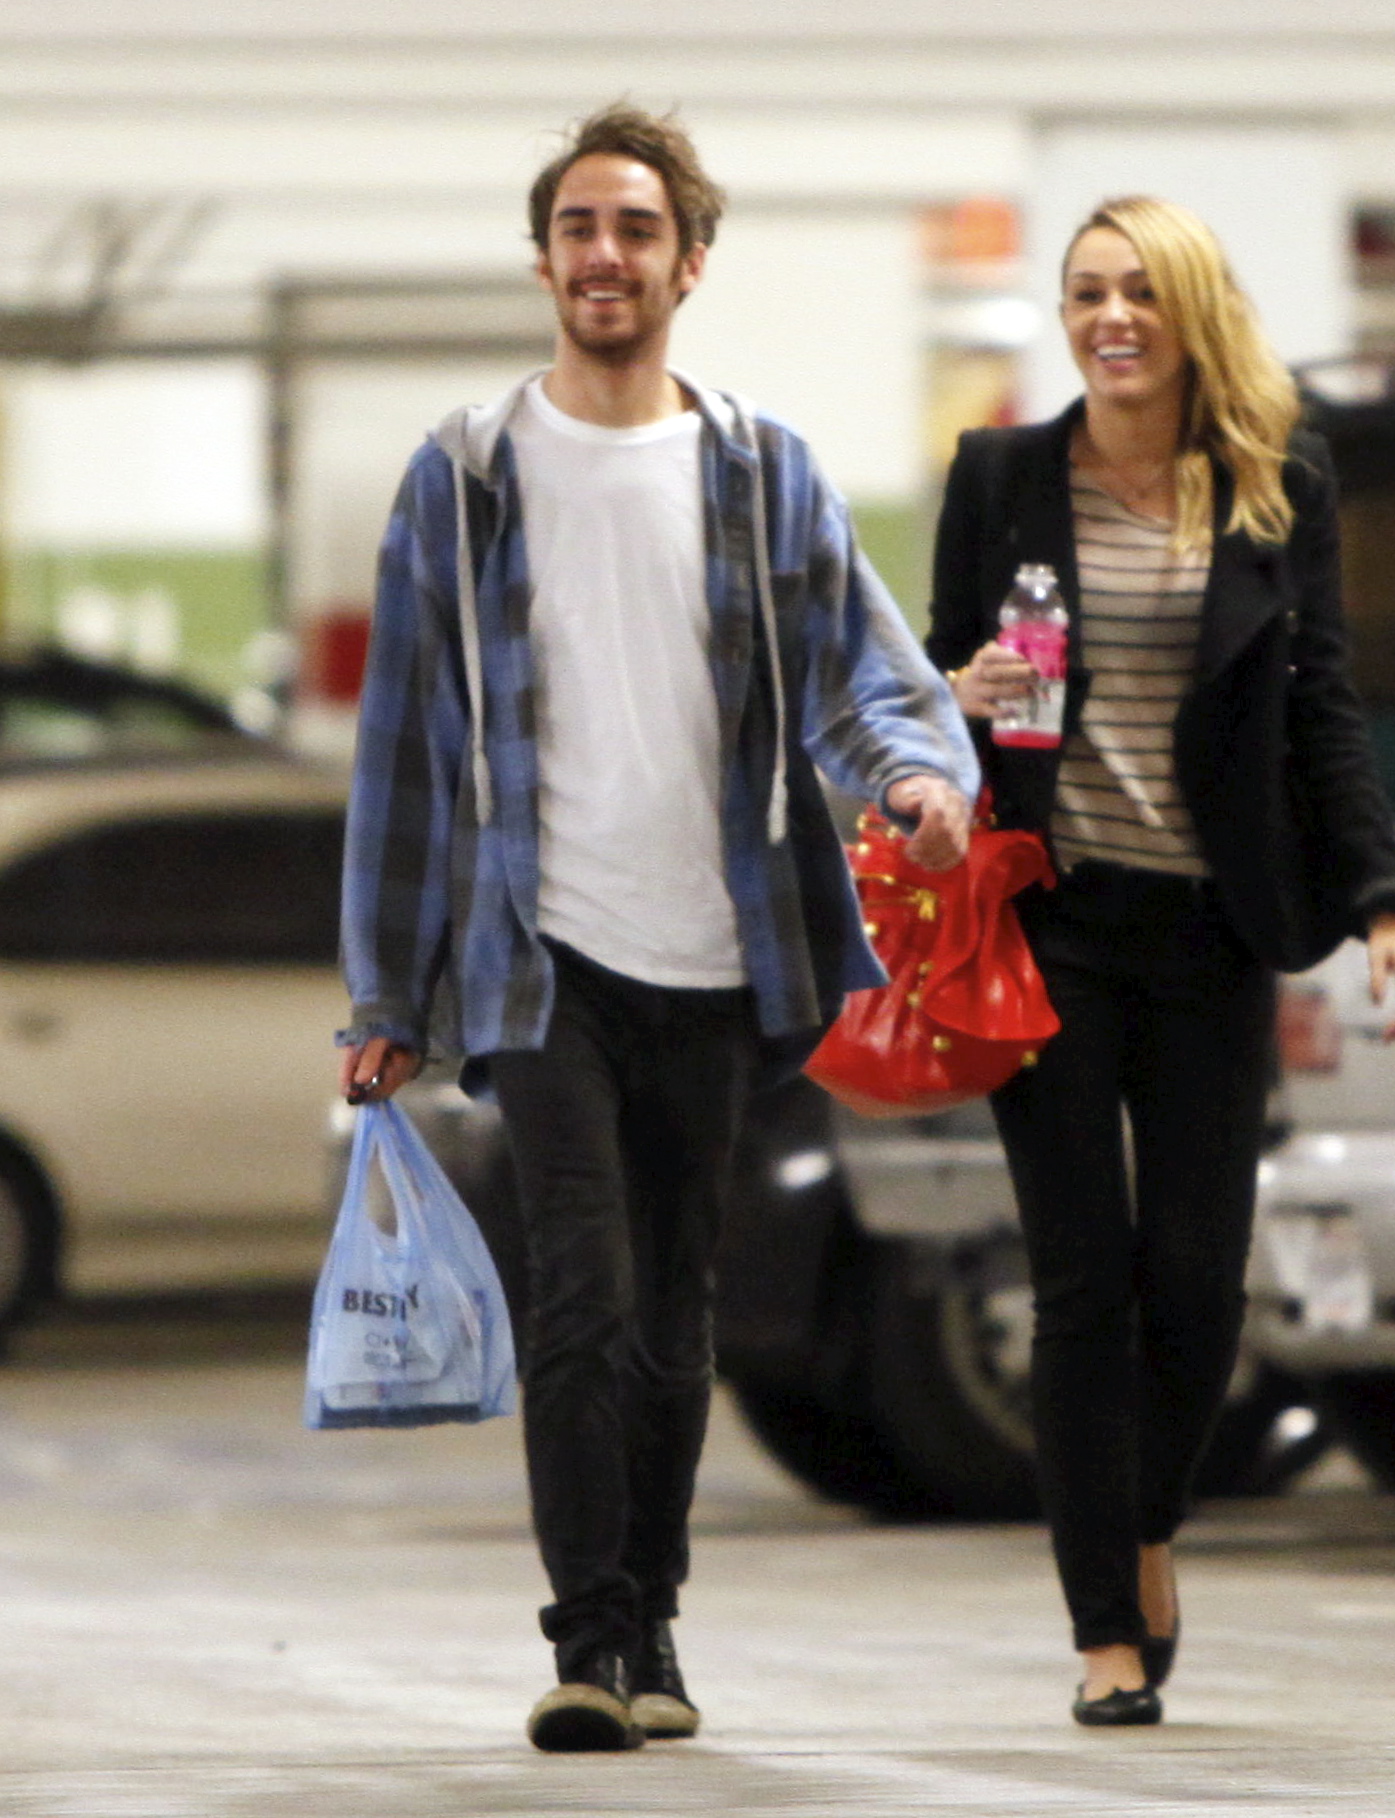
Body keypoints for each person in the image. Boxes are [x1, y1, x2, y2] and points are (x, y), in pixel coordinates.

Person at [337, 103, 976, 1754]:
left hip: (718, 950)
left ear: (689, 262)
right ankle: (589, 1637)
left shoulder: (761, 471)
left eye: (635, 227)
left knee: (678, 1308)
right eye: (576, 227)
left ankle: (658, 1616)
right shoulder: (466, 475)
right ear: (542, 258)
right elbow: (406, 743)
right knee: (584, 1289)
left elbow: (862, 672)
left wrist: (917, 777)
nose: (603, 254)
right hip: (538, 954)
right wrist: (387, 989)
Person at [925, 195, 1395, 1727]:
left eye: (1140, 290)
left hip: (1213, 929)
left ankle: (1145, 1524)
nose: (1111, 318)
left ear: (1191, 310)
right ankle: (1102, 1630)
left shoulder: (1273, 485)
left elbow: (1322, 706)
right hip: (1052, 920)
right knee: (1081, 1277)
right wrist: (956, 692)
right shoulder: (1001, 477)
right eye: (1086, 292)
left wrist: (1382, 896)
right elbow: (926, 686)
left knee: (1199, 1279)